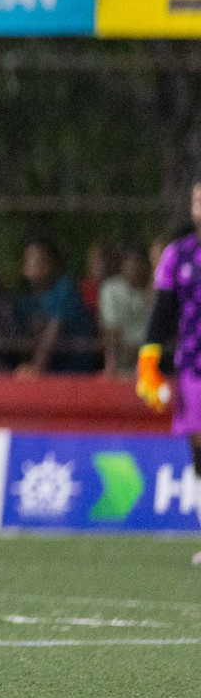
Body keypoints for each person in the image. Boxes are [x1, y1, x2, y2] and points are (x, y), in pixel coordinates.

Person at [136, 179, 201, 564]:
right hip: (193, 366)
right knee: (198, 448)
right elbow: (161, 315)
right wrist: (149, 367)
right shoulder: (178, 255)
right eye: (196, 197)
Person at [12, 238, 98, 375]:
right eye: (28, 259)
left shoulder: (65, 288)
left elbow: (55, 328)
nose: (32, 264)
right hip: (48, 372)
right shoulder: (24, 300)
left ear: (50, 262)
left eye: (38, 259)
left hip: (73, 372)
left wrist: (35, 368)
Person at [101, 247, 150, 376]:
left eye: (139, 262)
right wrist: (113, 364)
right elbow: (111, 329)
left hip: (154, 361)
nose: (135, 268)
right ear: (122, 265)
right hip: (122, 364)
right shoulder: (111, 289)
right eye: (131, 263)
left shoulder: (156, 290)